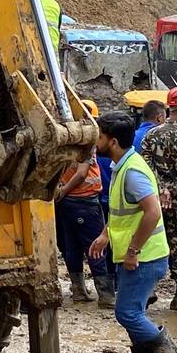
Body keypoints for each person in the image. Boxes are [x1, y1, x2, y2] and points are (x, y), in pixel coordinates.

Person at [90, 112, 177, 353]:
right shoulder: (122, 166)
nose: (95, 141)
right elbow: (124, 213)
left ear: (112, 141)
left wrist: (133, 250)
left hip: (144, 256)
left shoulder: (131, 171)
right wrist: (106, 235)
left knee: (127, 313)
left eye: (99, 136)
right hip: (136, 254)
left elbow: (153, 211)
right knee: (135, 313)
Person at [141, 87, 177, 310]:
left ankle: (147, 291)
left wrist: (161, 188)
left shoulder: (150, 135)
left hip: (151, 200)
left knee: (148, 240)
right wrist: (172, 190)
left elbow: (146, 167)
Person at [55, 99, 110, 305]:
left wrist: (61, 192)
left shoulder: (64, 136)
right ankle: (105, 295)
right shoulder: (85, 140)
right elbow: (81, 173)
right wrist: (65, 190)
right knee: (95, 245)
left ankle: (78, 290)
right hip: (84, 200)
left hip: (68, 203)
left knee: (72, 247)